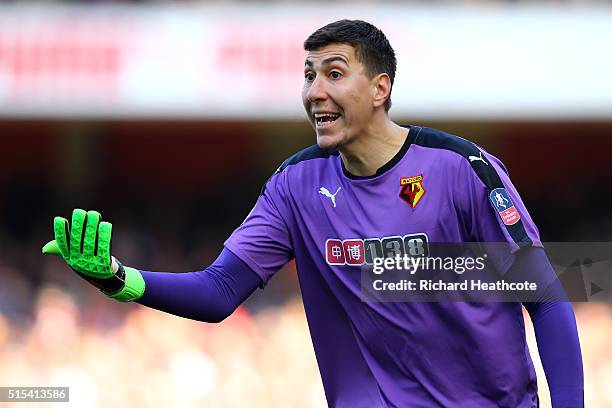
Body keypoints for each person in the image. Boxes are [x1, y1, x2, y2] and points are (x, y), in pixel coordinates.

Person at [43, 19, 583, 407]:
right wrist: (118, 280)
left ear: (380, 88)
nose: (314, 91)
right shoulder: (295, 186)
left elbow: (546, 298)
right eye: (308, 75)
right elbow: (218, 291)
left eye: (333, 73)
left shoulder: (461, 168)